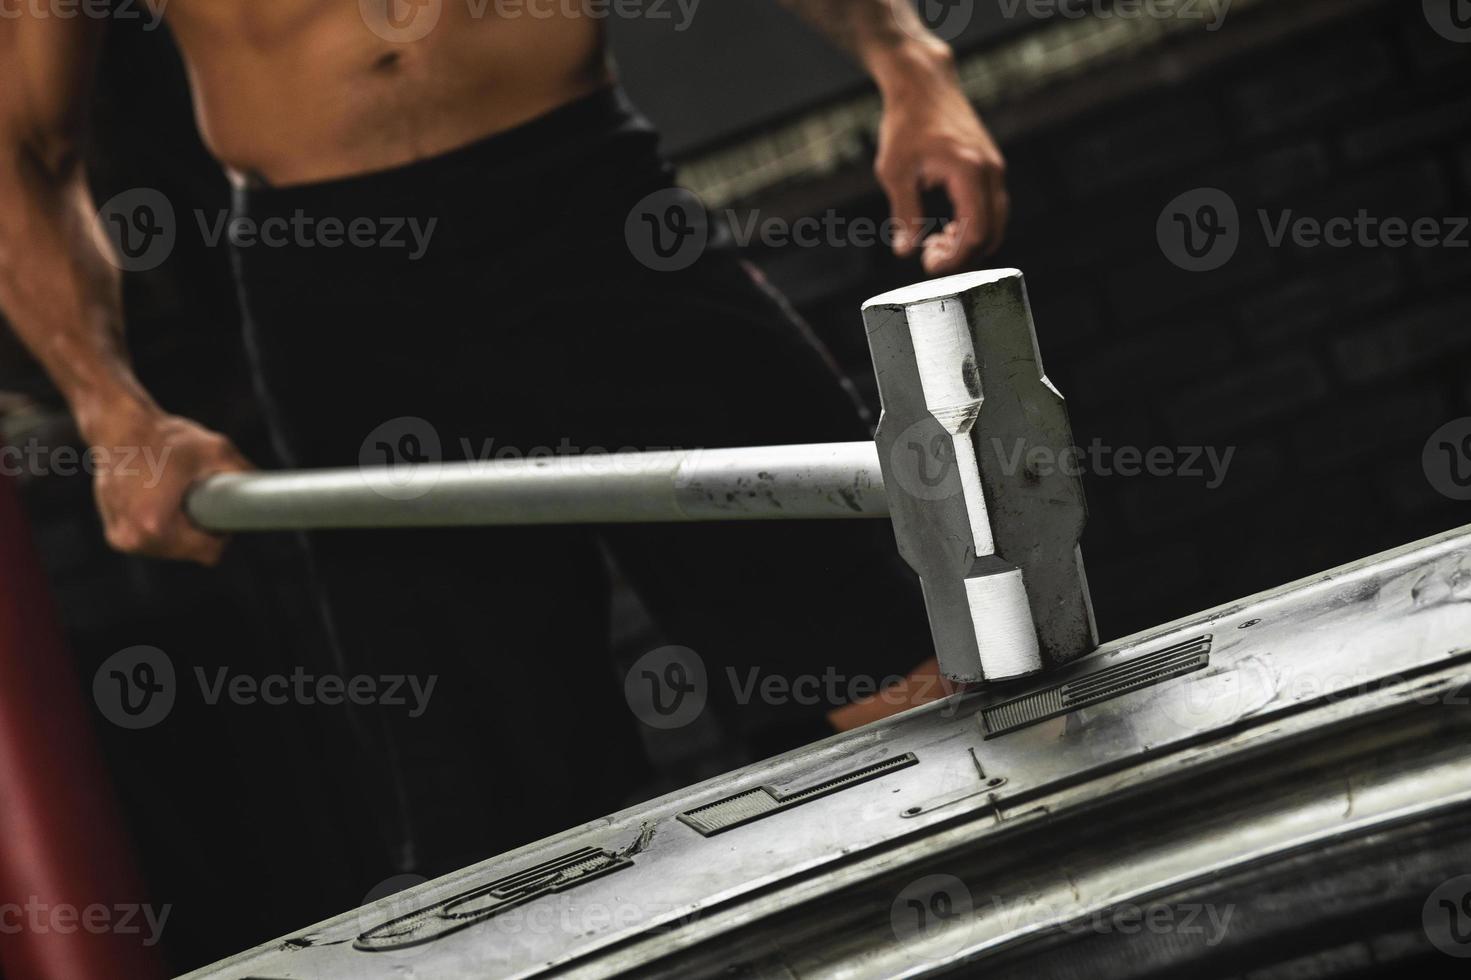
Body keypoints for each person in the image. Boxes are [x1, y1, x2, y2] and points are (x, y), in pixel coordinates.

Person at [0, 1, 1007, 889]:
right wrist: (108, 410)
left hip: (595, 210)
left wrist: (908, 62)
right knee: (493, 820)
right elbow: (21, 139)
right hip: (336, 291)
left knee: (907, 688)